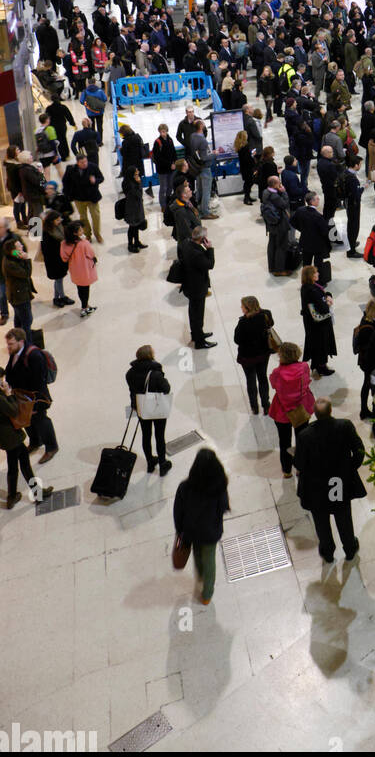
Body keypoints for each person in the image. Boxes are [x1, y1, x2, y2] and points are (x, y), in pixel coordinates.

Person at [294, 398, 365, 562]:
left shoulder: (305, 436)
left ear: (315, 414)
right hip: (338, 483)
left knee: (321, 521)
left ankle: (327, 551)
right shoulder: (344, 426)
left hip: (316, 487)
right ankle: (349, 548)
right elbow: (359, 450)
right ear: (331, 410)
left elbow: (299, 463)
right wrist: (350, 468)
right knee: (343, 516)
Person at [173, 448, 230, 606]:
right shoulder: (219, 486)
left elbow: (178, 511)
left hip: (191, 530)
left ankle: (200, 575)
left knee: (197, 553)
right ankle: (207, 594)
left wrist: (180, 530)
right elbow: (223, 507)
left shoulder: (185, 487)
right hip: (211, 531)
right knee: (209, 558)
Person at [3, 327, 58, 465]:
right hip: (21, 396)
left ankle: (51, 447)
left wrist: (35, 404)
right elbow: (10, 369)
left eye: (11, 344)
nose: (8, 347)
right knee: (26, 420)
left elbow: (39, 382)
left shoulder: (34, 356)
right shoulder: (15, 352)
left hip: (35, 397)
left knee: (41, 420)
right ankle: (35, 441)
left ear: (21, 342)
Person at [0, 370, 52, 509]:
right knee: (24, 465)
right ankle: (38, 494)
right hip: (11, 436)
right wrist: (8, 395)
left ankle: (12, 497)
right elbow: (13, 410)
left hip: (4, 438)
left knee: (12, 466)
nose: (3, 382)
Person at [268, 341, 314, 478]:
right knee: (302, 440)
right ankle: (300, 468)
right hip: (301, 409)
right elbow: (306, 382)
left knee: (284, 442)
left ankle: (287, 470)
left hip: (282, 412)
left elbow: (274, 384)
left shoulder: (277, 372)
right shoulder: (304, 367)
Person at [125, 344, 172, 474]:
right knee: (159, 436)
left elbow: (132, 390)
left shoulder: (130, 373)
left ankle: (150, 462)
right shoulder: (155, 373)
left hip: (141, 407)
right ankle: (163, 464)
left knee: (146, 435)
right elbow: (166, 388)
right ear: (150, 356)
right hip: (157, 408)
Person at [233, 295, 275, 415]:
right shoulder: (266, 314)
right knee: (262, 378)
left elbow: (237, 340)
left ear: (247, 308)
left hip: (247, 357)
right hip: (263, 354)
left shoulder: (243, 322)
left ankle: (254, 407)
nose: (241, 308)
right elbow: (271, 324)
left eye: (242, 306)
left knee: (250, 381)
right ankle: (266, 405)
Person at [179, 224, 215, 349]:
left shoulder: (186, 244)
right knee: (198, 315)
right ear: (202, 239)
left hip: (189, 284)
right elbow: (210, 264)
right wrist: (209, 249)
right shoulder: (196, 253)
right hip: (197, 288)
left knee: (193, 312)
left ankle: (196, 334)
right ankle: (199, 342)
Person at [299, 266, 336, 377]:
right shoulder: (312, 290)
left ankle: (317, 364)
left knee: (315, 343)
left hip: (311, 322)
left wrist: (328, 295)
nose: (318, 274)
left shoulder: (306, 287)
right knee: (321, 344)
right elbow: (323, 308)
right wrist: (328, 302)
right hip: (319, 324)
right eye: (315, 272)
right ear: (311, 276)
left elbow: (321, 296)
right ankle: (321, 367)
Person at [63, 152, 104, 242]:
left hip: (92, 197)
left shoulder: (93, 167)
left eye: (85, 161)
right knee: (83, 218)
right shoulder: (71, 169)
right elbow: (65, 182)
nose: (85, 163)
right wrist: (68, 195)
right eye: (82, 162)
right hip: (79, 198)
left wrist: (95, 181)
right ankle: (87, 235)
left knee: (96, 216)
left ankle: (97, 234)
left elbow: (101, 178)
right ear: (77, 163)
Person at [39, 209, 73, 308]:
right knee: (58, 279)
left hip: (61, 258)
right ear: (51, 221)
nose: (60, 221)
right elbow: (47, 249)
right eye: (57, 220)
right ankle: (61, 297)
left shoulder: (58, 227)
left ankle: (56, 298)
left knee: (59, 279)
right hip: (53, 260)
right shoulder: (46, 233)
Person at [260, 177, 294, 276]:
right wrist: (284, 192)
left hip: (271, 224)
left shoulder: (265, 192)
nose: (281, 184)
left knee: (272, 245)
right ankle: (279, 270)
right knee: (281, 246)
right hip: (280, 224)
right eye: (279, 183)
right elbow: (284, 204)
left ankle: (272, 267)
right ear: (275, 185)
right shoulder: (274, 196)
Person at [3, 234, 36, 332]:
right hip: (19, 296)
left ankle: (18, 337)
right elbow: (26, 273)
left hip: (18, 294)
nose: (22, 246)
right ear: (14, 250)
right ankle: (27, 342)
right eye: (19, 246)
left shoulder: (12, 256)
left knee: (19, 318)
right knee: (27, 320)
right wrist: (26, 260)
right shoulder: (10, 264)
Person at [151, 124, 177, 216]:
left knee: (170, 186)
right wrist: (170, 164)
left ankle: (169, 202)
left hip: (171, 168)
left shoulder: (170, 140)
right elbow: (158, 157)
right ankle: (163, 205)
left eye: (164, 131)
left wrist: (174, 163)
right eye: (161, 131)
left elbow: (174, 152)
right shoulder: (157, 142)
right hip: (162, 169)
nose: (163, 133)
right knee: (163, 187)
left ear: (167, 131)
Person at [122, 165, 148, 252]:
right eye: (136, 174)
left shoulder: (131, 181)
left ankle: (136, 242)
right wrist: (138, 183)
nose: (138, 175)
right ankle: (130, 245)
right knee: (132, 227)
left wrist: (138, 183)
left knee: (136, 226)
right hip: (132, 209)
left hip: (137, 207)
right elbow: (138, 194)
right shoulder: (129, 184)